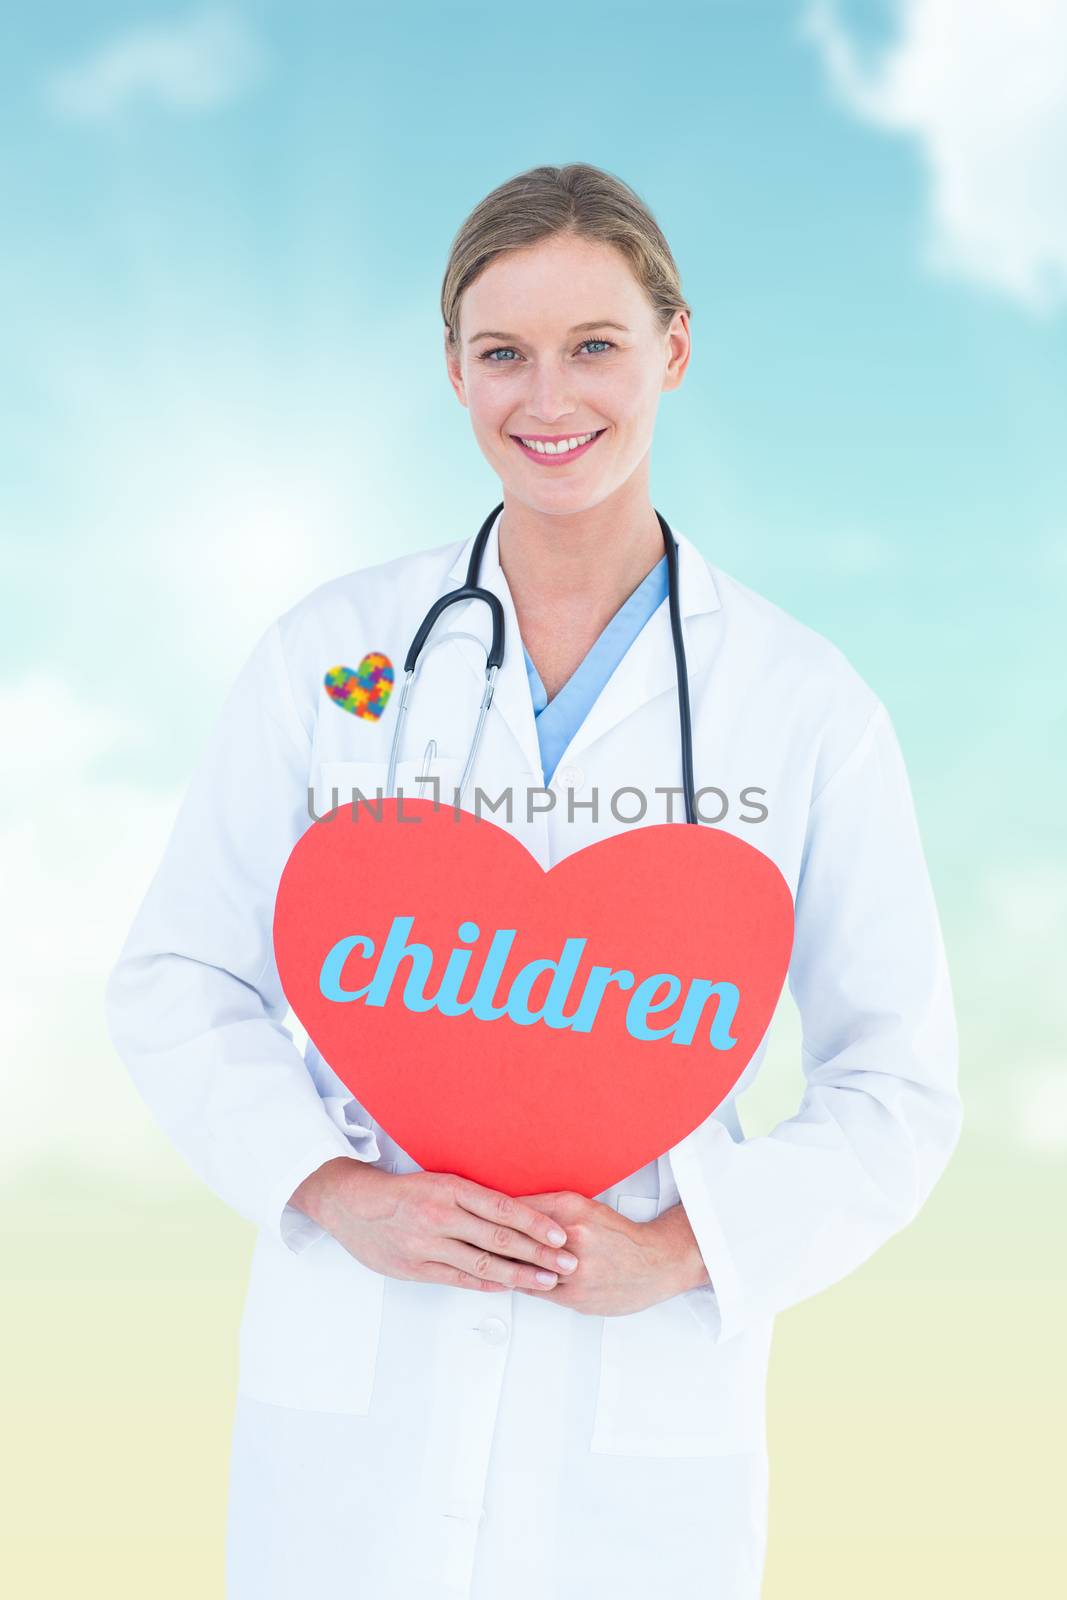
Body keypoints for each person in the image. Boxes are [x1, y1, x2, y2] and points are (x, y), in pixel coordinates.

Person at [104, 162, 963, 1599]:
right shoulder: (338, 657)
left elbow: (900, 1087)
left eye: (596, 346)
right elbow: (180, 977)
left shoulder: (804, 705)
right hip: (357, 1395)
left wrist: (681, 1256)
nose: (546, 396)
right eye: (502, 351)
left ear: (675, 350)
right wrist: (333, 1190)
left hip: (638, 1422)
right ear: (452, 368)